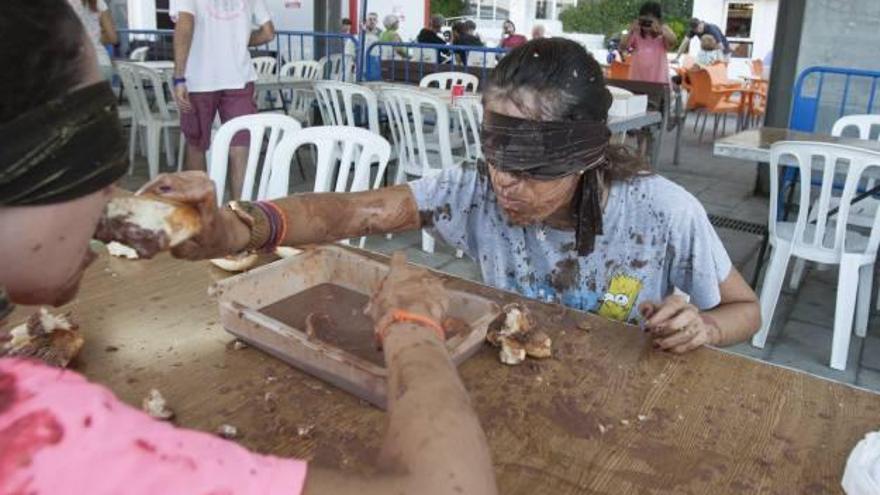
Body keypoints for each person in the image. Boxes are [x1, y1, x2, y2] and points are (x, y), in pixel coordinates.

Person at [0, 3, 498, 494]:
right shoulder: (38, 435)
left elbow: (353, 211)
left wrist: (232, 229)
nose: (115, 190)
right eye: (96, 141)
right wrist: (411, 322)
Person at [140, 37, 761, 355]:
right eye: (497, 158)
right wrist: (233, 228)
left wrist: (705, 326)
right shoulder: (472, 193)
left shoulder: (661, 212)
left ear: (585, 155)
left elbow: (744, 308)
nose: (505, 185)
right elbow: (352, 211)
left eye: (532, 167)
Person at [171, 0, 275, 200]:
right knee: (240, 147)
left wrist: (179, 76)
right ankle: (240, 214)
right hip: (239, 77)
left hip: (199, 78)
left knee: (196, 144)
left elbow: (185, 24)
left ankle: (202, 213)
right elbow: (268, 32)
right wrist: (236, 40)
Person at [622, 1, 676, 84]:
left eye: (649, 22)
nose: (646, 25)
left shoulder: (662, 32)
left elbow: (673, 41)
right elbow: (623, 46)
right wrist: (630, 30)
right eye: (643, 21)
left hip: (658, 81)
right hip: (637, 80)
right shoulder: (636, 33)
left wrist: (661, 30)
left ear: (658, 20)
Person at [67, 0, 118, 80]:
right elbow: (113, 38)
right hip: (103, 64)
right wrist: (96, 39)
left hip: (80, 67)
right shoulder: (99, 2)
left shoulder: (66, 4)